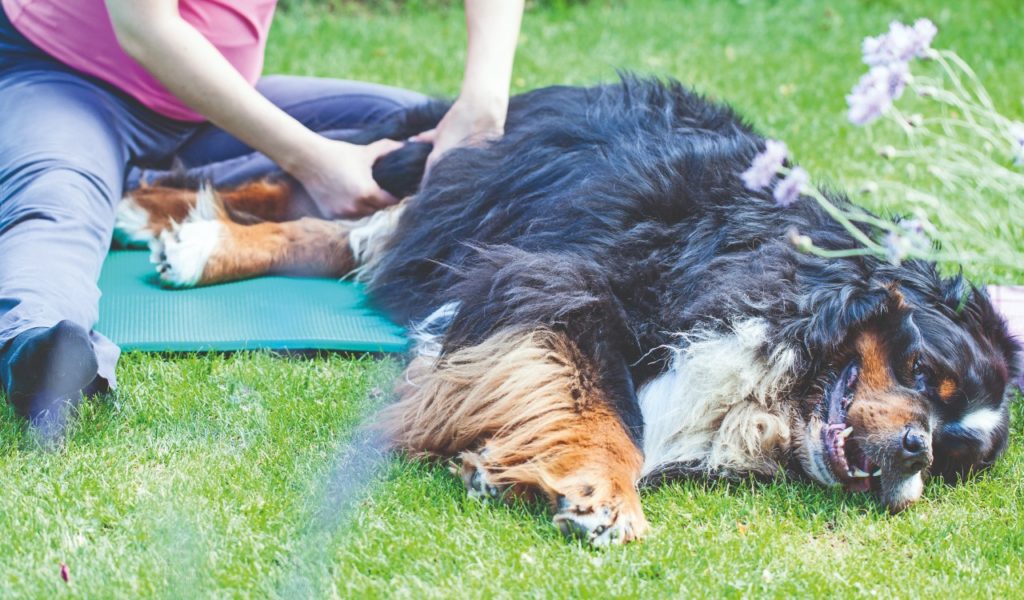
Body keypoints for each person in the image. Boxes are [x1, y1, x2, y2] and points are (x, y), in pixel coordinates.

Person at [0, 0, 524, 428]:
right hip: (65, 80)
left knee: (413, 130)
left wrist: (480, 105)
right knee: (56, 198)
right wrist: (314, 162)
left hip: (206, 106)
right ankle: (39, 344)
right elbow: (144, 27)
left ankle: (134, 185)